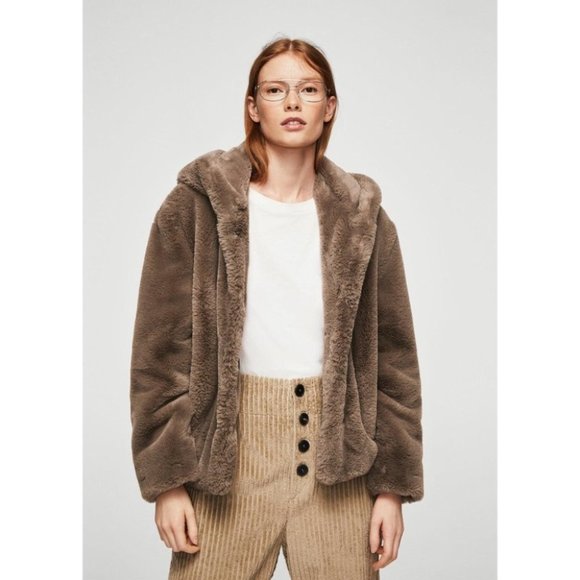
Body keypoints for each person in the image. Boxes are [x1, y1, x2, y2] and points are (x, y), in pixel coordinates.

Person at [130, 37, 424, 580]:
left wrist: (391, 488)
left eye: (308, 90)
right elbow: (159, 354)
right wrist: (167, 481)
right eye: (275, 90)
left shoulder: (365, 220)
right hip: (226, 464)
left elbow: (394, 364)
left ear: (329, 107)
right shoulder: (195, 207)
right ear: (253, 106)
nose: (292, 102)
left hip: (339, 470)